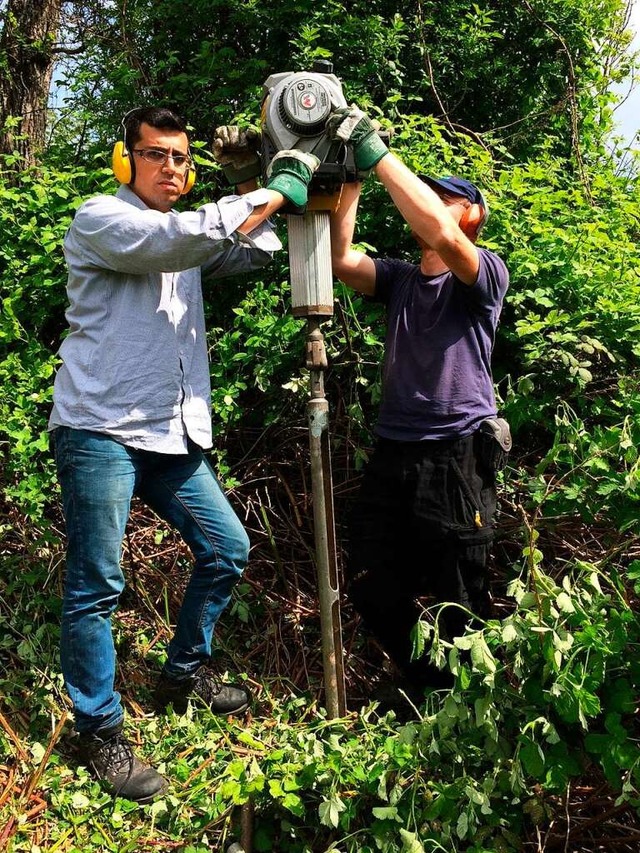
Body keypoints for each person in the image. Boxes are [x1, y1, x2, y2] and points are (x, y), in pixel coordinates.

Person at [49, 105, 319, 802]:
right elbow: (181, 238)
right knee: (96, 583)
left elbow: (253, 244)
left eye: (182, 158)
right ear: (124, 159)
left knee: (227, 546)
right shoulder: (102, 219)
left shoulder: (188, 231)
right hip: (100, 429)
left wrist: (260, 178)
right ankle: (98, 729)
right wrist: (268, 188)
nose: (172, 167)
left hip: (170, 432)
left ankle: (181, 674)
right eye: (157, 154)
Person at [326, 106, 510, 707]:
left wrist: (378, 152)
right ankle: (427, 687)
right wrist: (351, 175)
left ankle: (463, 712)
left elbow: (445, 236)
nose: (428, 203)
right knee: (370, 580)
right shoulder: (403, 279)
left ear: (472, 213)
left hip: (457, 453)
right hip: (395, 451)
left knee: (461, 593)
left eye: (444, 197)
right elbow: (338, 260)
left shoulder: (481, 274)